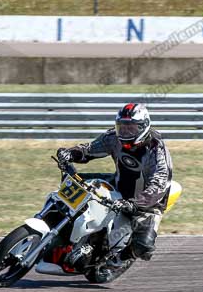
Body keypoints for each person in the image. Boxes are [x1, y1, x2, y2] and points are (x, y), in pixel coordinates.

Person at [56, 103, 173, 265]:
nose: (125, 132)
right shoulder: (114, 138)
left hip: (147, 203)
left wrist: (136, 204)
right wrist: (70, 153)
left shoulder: (156, 149)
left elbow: (159, 184)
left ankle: (120, 258)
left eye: (131, 128)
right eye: (122, 127)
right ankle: (63, 233)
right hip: (118, 184)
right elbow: (90, 149)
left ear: (143, 127)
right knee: (75, 184)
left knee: (144, 247)